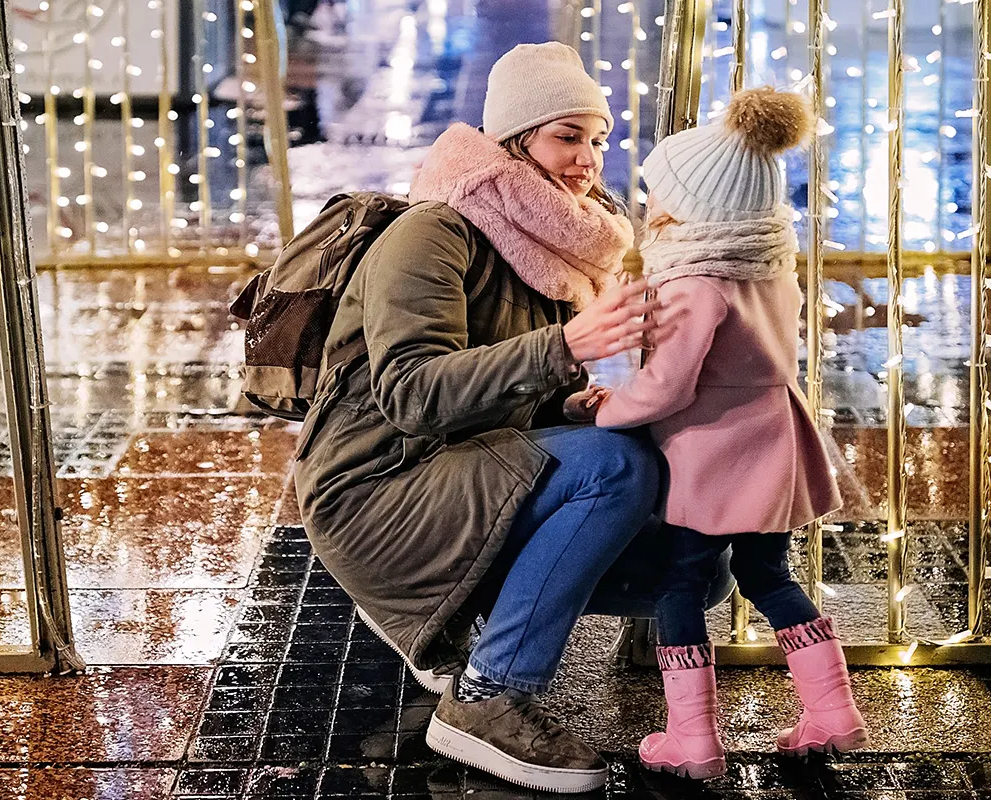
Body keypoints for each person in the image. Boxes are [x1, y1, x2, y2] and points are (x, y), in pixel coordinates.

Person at [291, 42, 675, 794]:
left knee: (692, 563)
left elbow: (505, 393)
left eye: (597, 139)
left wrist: (569, 404)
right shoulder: (433, 231)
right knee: (616, 469)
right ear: (514, 140)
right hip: (374, 491)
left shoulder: (551, 244)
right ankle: (485, 697)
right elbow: (412, 394)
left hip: (457, 470)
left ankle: (446, 609)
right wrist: (561, 348)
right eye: (567, 137)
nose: (587, 159)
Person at [567, 87, 869, 781]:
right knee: (769, 575)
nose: (649, 210)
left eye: (658, 198)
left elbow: (671, 385)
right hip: (770, 445)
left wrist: (609, 409)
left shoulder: (694, 283)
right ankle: (833, 711)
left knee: (681, 581)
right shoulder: (767, 272)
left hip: (709, 453)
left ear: (692, 210)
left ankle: (692, 739)